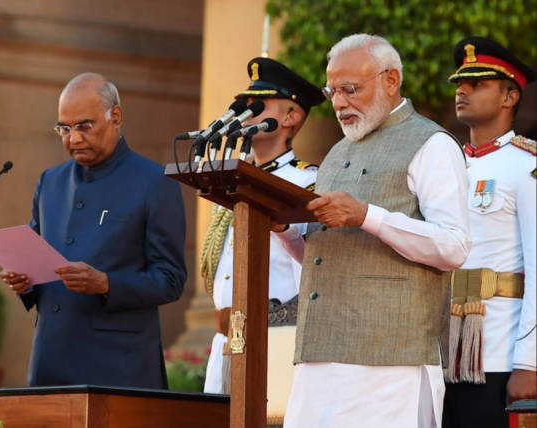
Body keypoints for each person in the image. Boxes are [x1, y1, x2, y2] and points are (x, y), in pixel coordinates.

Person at [276, 34, 471, 428]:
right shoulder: (337, 153)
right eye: (332, 91)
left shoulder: (431, 143)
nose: (339, 103)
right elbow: (324, 255)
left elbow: (454, 246)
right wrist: (284, 230)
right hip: (319, 354)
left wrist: (368, 216)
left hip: (389, 360)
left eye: (350, 90)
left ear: (391, 80)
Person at [0, 73, 187, 389]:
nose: (73, 139)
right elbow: (38, 262)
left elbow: (170, 280)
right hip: (51, 359)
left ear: (116, 117)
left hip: (118, 367)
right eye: (64, 128)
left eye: (84, 126)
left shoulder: (154, 181)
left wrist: (106, 283)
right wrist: (23, 281)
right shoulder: (51, 182)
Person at [200, 57, 324, 394]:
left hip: (276, 336)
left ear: (291, 117)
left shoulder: (306, 182)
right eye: (244, 103)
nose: (247, 111)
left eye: (259, 104)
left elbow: (315, 265)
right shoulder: (233, 180)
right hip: (225, 337)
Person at [442, 36, 536, 428]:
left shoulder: (525, 167)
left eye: (477, 83)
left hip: (500, 351)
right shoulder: (445, 165)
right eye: (460, 83)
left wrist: (529, 362)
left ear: (509, 96)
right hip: (442, 350)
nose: (462, 90)